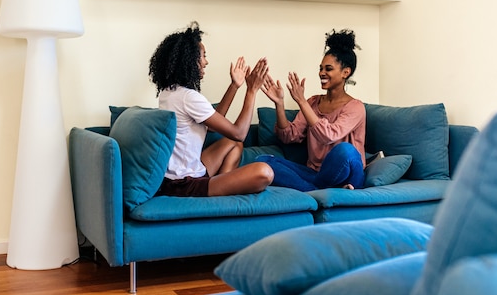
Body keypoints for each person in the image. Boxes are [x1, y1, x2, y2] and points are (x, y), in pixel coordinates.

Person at [148, 21, 274, 197]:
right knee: (264, 172)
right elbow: (239, 133)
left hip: (174, 178)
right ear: (190, 60)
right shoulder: (188, 97)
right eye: (203, 56)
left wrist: (234, 86)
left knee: (233, 144)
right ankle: (220, 190)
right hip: (184, 184)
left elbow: (214, 125)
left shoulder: (169, 93)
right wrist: (251, 90)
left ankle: (221, 187)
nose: (206, 62)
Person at [258, 29, 366, 191]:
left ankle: (313, 189)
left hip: (346, 172)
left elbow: (329, 136)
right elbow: (288, 136)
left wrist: (301, 101)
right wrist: (279, 104)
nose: (322, 73)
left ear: (346, 72)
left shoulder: (355, 107)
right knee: (263, 161)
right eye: (321, 68)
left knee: (346, 151)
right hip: (315, 173)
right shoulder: (313, 102)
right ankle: (318, 189)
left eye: (328, 69)